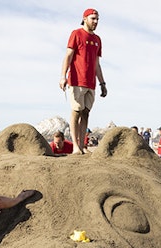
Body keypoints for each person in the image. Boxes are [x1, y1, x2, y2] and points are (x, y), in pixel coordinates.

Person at [60, 8, 107, 154]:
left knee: (86, 112)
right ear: (85, 18)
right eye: (93, 18)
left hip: (90, 82)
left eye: (97, 19)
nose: (96, 21)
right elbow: (68, 55)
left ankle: (81, 146)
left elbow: (96, 64)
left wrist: (102, 83)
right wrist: (63, 76)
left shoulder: (97, 39)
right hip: (76, 80)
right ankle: (75, 146)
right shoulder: (76, 34)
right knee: (76, 111)